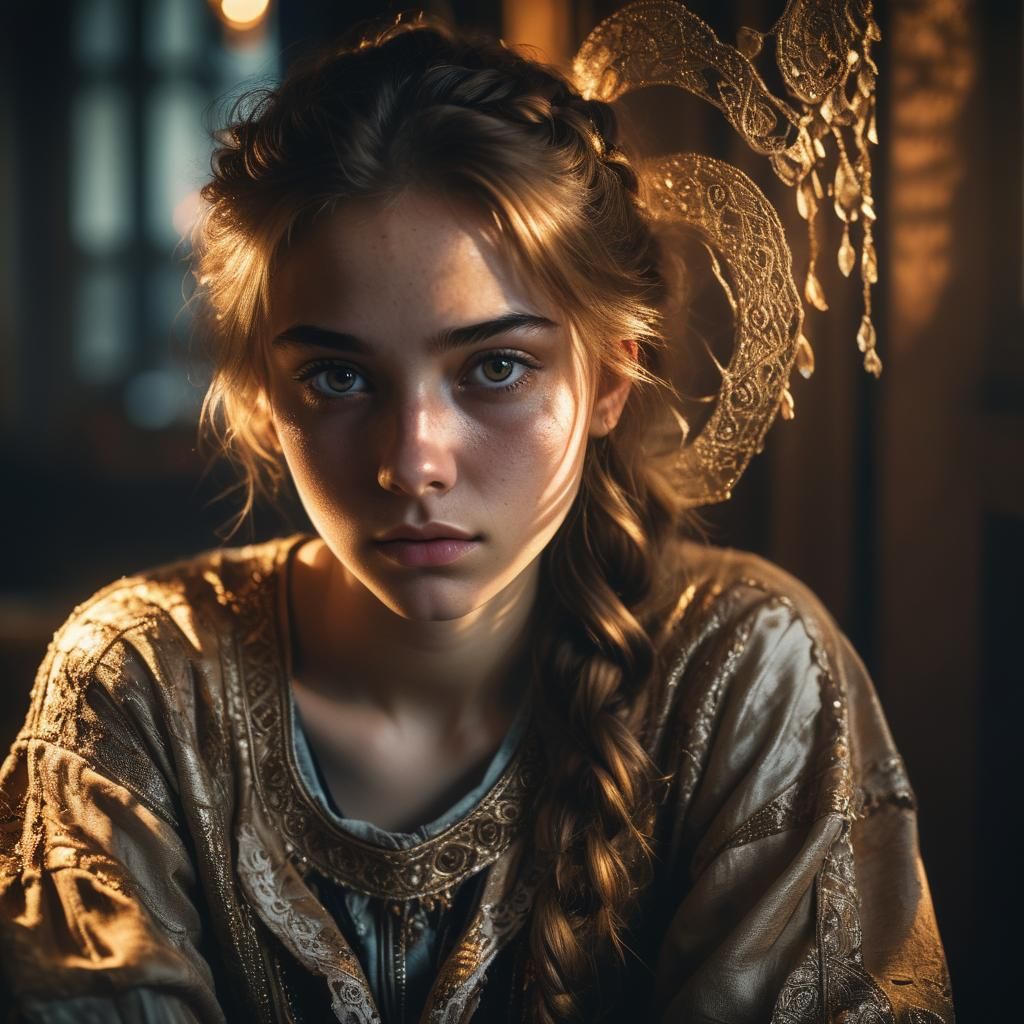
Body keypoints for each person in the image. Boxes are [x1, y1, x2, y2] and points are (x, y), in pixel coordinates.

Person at [0, 12, 953, 1024]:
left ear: (611, 377)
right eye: (336, 375)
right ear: (263, 400)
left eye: (495, 367)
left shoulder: (750, 676)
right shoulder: (141, 681)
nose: (412, 461)